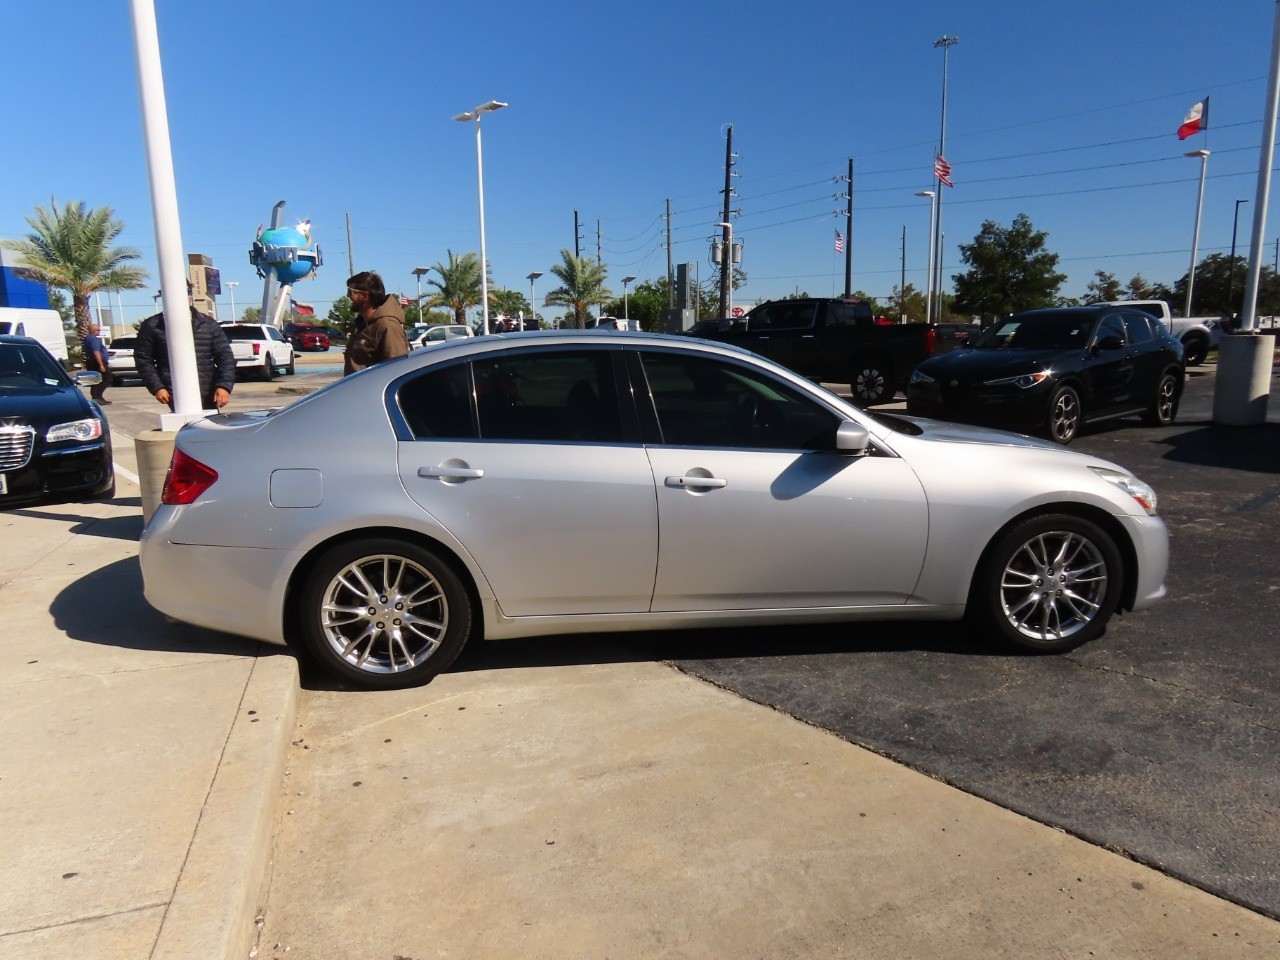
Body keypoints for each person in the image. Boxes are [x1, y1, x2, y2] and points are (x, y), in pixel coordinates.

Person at [135, 288, 236, 410]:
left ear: (191, 295)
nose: (183, 296)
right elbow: (143, 360)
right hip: (173, 391)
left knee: (210, 427)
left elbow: (225, 357)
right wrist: (157, 387)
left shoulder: (208, 324)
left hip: (208, 391)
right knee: (185, 425)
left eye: (187, 292)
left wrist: (224, 386)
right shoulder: (153, 325)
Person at [343, 271, 409, 375]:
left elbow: (397, 371)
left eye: (350, 292)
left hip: (372, 391)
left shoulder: (387, 326)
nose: (348, 296)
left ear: (365, 296)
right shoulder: (361, 325)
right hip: (356, 390)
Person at [81, 323, 112, 404]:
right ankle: (97, 396)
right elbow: (96, 352)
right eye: (98, 330)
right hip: (97, 362)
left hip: (91, 361)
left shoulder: (87, 338)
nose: (99, 331)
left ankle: (96, 397)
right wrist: (101, 364)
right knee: (107, 378)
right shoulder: (93, 339)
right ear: (94, 331)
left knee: (95, 380)